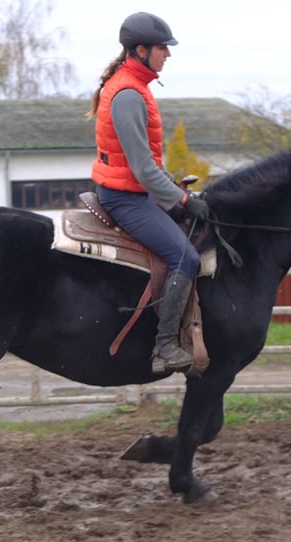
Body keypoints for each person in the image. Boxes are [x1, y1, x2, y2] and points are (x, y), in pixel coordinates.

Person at [88, 12, 210, 375]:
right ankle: (165, 347)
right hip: (124, 198)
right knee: (185, 259)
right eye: (162, 48)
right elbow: (142, 168)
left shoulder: (133, 85)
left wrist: (171, 186)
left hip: (132, 191)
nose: (167, 55)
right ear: (141, 50)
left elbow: (145, 161)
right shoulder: (128, 94)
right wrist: (183, 199)